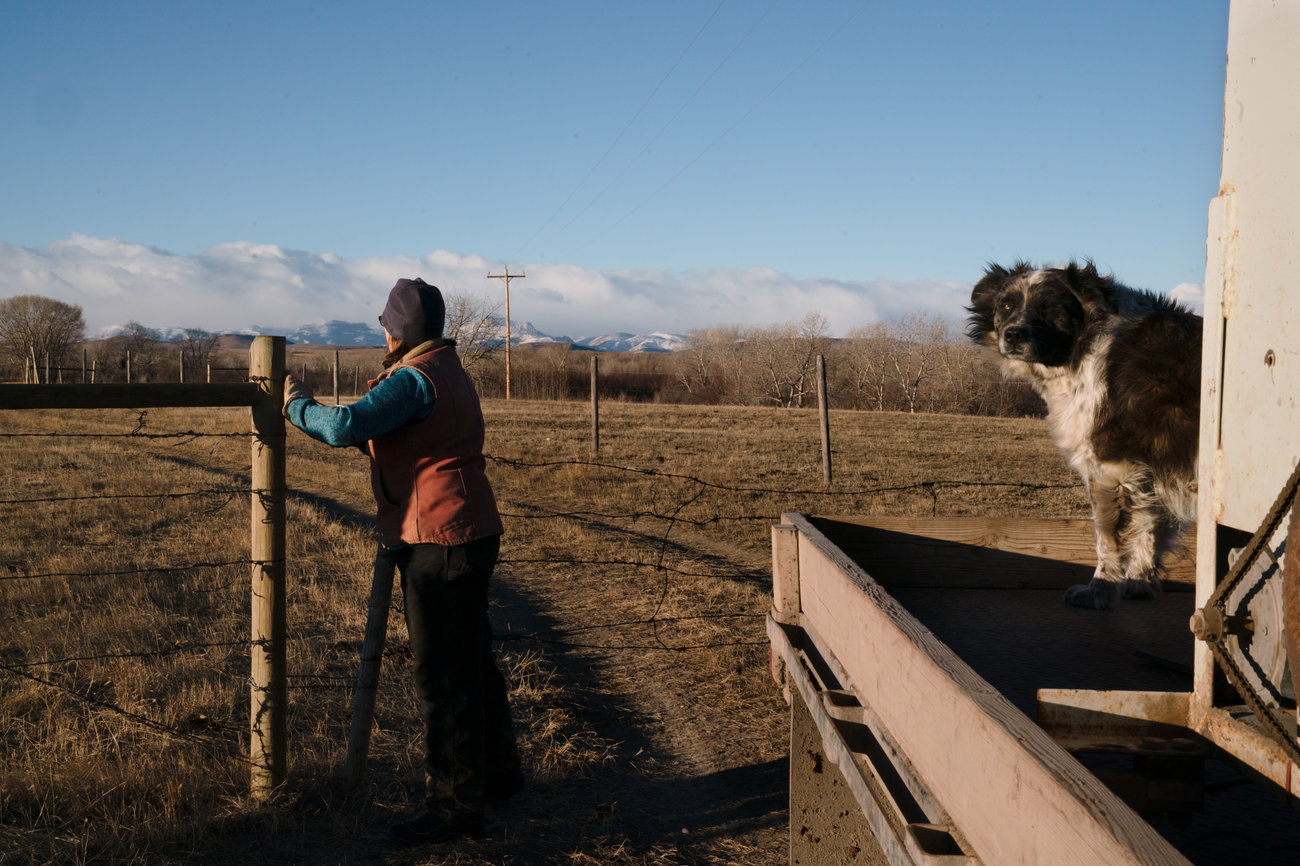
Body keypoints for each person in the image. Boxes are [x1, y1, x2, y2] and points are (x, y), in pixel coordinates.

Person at [282, 277, 523, 845]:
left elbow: (345, 426)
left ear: (397, 330)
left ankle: (455, 810)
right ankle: (498, 778)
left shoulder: (414, 377)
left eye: (386, 324)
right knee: (472, 660)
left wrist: (295, 406)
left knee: (443, 675)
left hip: (437, 537)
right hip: (470, 528)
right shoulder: (446, 369)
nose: (384, 333)